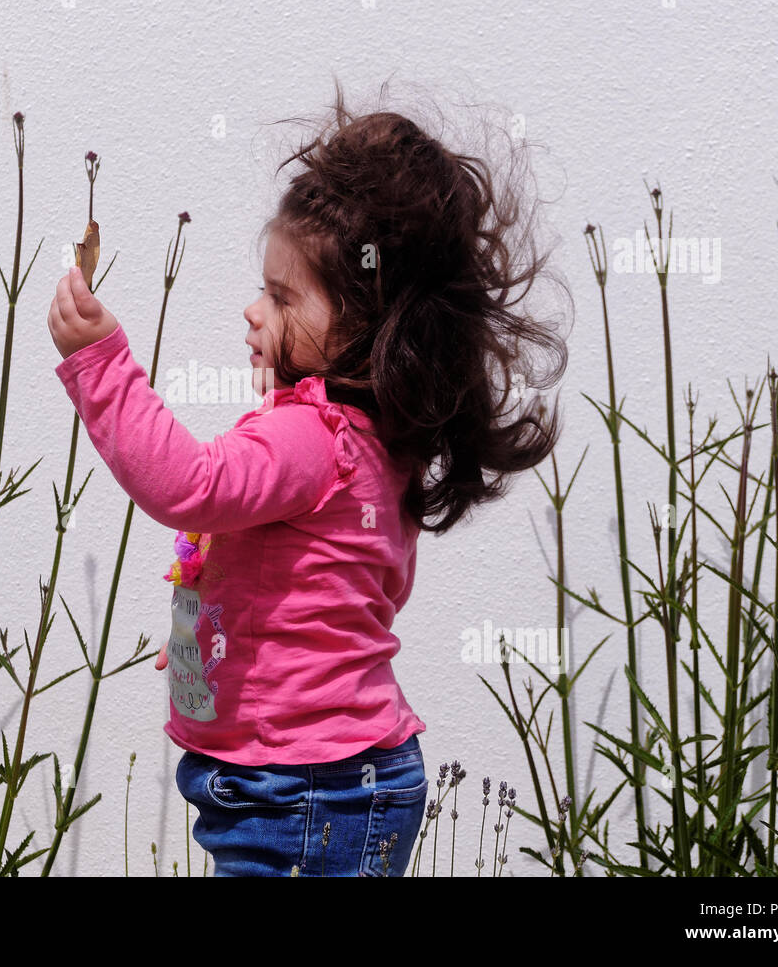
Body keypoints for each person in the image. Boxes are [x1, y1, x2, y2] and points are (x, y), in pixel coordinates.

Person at [47, 79, 569, 876]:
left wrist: (102, 366)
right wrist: (216, 633)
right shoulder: (374, 445)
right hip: (329, 784)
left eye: (283, 295)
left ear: (366, 326)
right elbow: (335, 599)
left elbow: (186, 484)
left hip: (304, 792)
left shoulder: (311, 438)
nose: (254, 310)